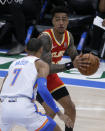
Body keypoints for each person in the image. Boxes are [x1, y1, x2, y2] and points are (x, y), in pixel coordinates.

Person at [0, 38, 73, 131]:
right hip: (24, 107)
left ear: (26, 49)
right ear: (41, 50)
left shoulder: (13, 64)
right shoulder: (41, 64)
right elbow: (42, 89)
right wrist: (59, 114)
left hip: (5, 108)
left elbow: (2, 88)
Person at [37, 6, 91, 131]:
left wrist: (85, 61)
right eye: (58, 19)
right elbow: (46, 68)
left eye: (64, 19)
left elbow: (74, 57)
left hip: (50, 78)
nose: (61, 23)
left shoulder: (68, 36)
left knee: (70, 108)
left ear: (68, 21)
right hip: (36, 78)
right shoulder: (45, 38)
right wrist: (71, 65)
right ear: (53, 21)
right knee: (50, 112)